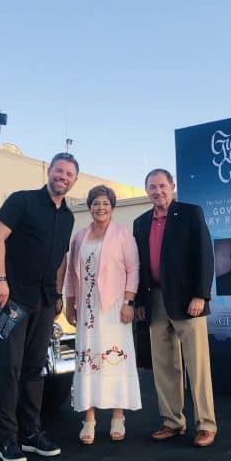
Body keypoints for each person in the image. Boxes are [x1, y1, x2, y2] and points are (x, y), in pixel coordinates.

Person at [0, 152, 79, 461]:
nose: (63, 177)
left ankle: (31, 432)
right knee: (10, 369)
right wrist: (0, 279)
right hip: (11, 297)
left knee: (34, 369)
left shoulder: (68, 217)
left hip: (44, 301)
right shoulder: (22, 201)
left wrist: (57, 294)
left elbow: (62, 259)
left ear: (74, 181)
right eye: (59, 171)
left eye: (69, 174)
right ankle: (7, 439)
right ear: (49, 171)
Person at [133, 168, 217, 448]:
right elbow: (140, 265)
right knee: (164, 366)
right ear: (146, 191)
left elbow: (204, 254)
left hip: (187, 301)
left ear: (172, 186)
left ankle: (206, 424)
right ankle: (172, 421)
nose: (157, 191)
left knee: (198, 365)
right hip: (155, 300)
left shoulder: (191, 213)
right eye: (152, 187)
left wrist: (200, 295)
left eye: (162, 186)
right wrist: (141, 303)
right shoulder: (140, 222)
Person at [65, 185, 141, 445]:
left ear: (112, 207)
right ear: (89, 206)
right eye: (96, 203)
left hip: (114, 306)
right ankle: (89, 419)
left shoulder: (122, 235)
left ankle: (118, 417)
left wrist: (129, 301)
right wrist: (70, 300)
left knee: (114, 358)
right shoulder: (80, 236)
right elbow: (71, 272)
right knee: (87, 358)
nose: (100, 208)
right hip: (87, 307)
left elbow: (134, 269)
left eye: (105, 203)